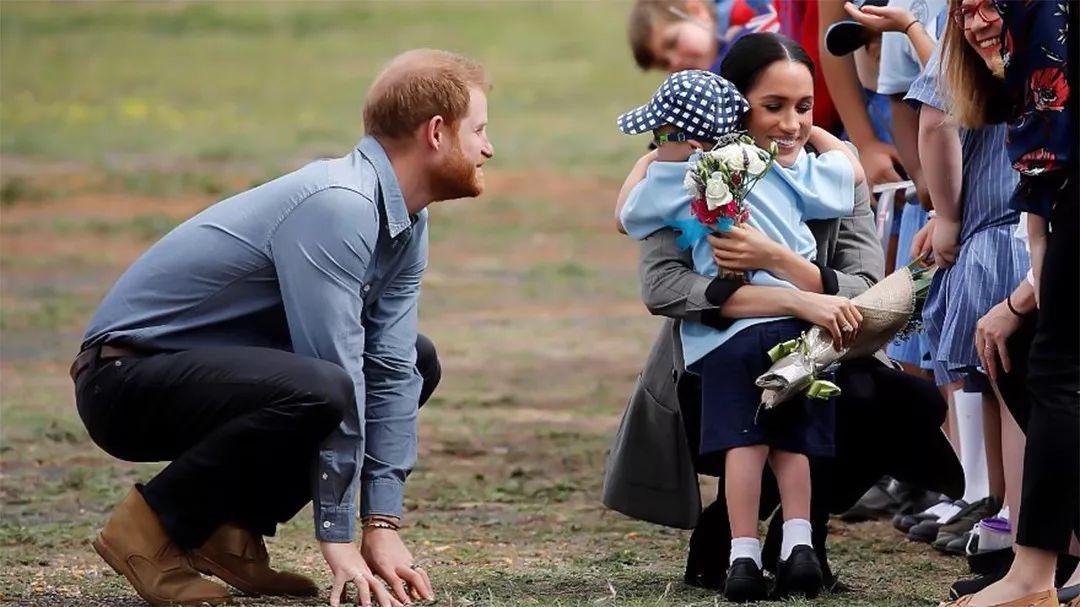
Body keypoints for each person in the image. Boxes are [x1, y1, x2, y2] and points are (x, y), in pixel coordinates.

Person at [70, 48, 494, 607]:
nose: (489, 148)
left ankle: (230, 533)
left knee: (414, 359)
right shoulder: (339, 205)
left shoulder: (406, 223)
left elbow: (390, 367)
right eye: (480, 130)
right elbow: (336, 368)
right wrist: (339, 539)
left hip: (205, 377)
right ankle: (146, 530)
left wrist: (382, 525)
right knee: (325, 387)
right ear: (436, 132)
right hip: (123, 379)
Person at [616, 56, 865, 600]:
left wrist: (647, 164)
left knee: (744, 442)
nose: (660, 144)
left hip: (729, 334)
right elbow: (847, 178)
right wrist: (824, 134)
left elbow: (627, 215)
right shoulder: (772, 163)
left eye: (664, 134)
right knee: (794, 436)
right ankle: (800, 546)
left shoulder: (673, 178)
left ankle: (743, 556)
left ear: (685, 139)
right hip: (796, 324)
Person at [936, 1, 1077, 606]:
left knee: (1055, 371)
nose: (976, 23)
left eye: (987, 5)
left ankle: (1031, 576)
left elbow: (1050, 141)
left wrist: (1031, 280)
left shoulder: (1047, 9)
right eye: (963, 12)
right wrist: (1026, 294)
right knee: (1023, 350)